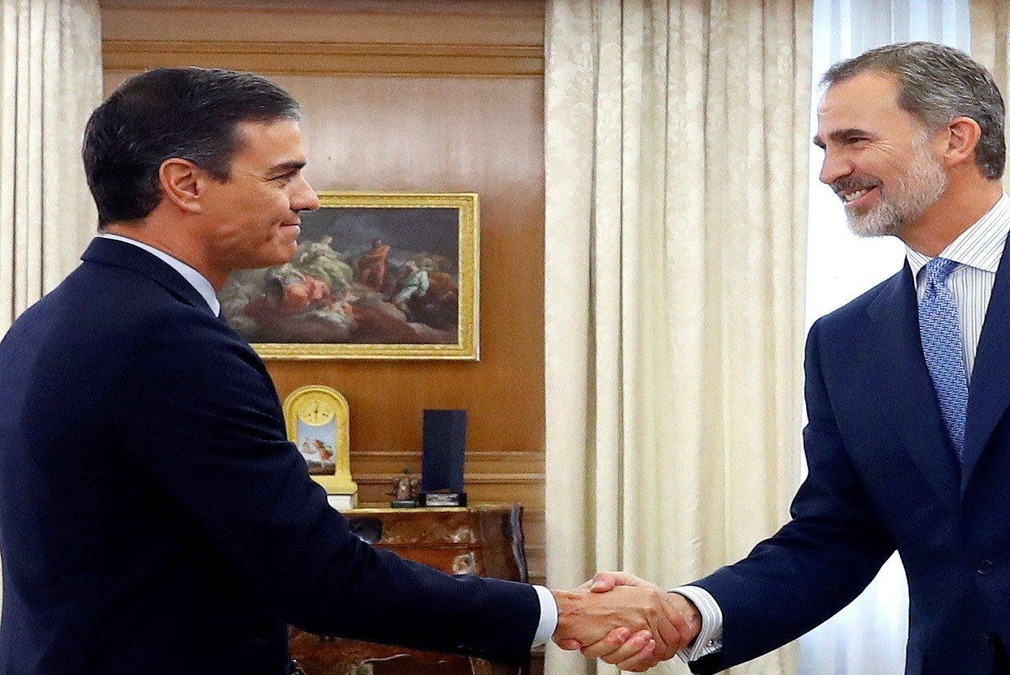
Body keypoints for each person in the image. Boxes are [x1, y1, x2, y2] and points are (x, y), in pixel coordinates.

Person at [0, 67, 687, 674]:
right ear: (184, 183)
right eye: (282, 174)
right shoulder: (166, 338)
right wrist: (559, 613)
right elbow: (319, 576)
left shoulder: (47, 322)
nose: (309, 199)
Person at [579, 41, 1010, 674]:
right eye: (825, 149)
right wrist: (690, 612)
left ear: (955, 139)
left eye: (854, 140)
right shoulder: (844, 341)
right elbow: (835, 536)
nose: (830, 172)